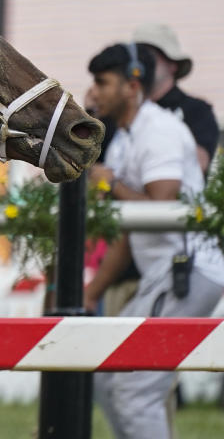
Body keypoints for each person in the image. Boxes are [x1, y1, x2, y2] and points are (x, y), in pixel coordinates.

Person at [83, 43, 224, 439]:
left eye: (102, 82)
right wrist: (92, 292)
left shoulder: (158, 130)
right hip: (168, 274)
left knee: (134, 389)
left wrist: (109, 182)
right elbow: (132, 230)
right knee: (106, 376)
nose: (94, 91)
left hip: (187, 270)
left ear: (131, 86)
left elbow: (160, 207)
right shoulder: (129, 136)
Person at [132, 23, 219, 174]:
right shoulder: (126, 110)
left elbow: (199, 163)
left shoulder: (197, 110)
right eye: (137, 56)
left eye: (149, 55)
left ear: (173, 64)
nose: (142, 63)